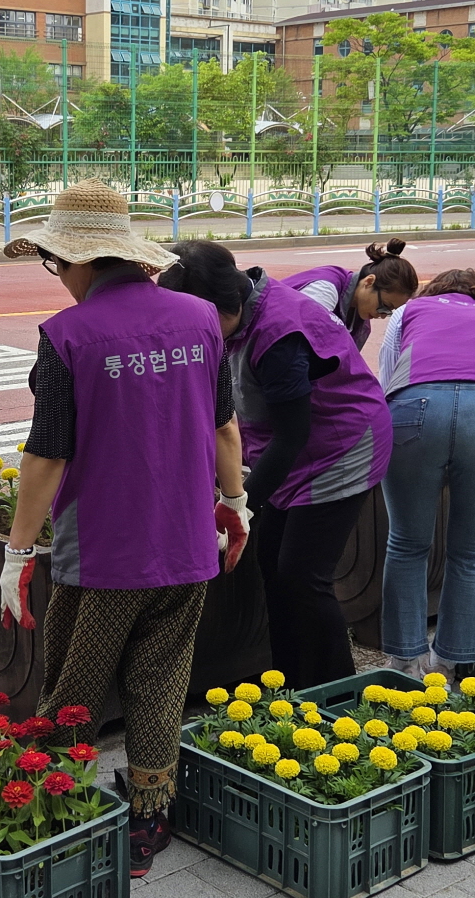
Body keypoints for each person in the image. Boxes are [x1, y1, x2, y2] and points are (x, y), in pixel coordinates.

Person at [0, 179, 248, 877]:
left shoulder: (67, 336)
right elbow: (226, 427)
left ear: (75, 261)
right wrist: (237, 506)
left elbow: (48, 453)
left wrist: (16, 552)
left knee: (74, 689)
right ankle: (147, 824)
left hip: (103, 557)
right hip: (188, 545)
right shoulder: (200, 319)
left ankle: (49, 812)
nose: (59, 279)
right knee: (161, 681)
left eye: (54, 263)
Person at [159, 240, 391, 691]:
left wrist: (240, 506)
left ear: (219, 306)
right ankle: (290, 688)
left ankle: (342, 695)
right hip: (292, 450)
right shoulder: (239, 315)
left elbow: (293, 435)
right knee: (273, 566)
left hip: (342, 448)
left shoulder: (278, 333)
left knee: (304, 578)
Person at [377, 268, 475, 679]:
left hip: (414, 408)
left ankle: (406, 661)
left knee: (407, 543)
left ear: (434, 291)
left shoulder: (409, 310)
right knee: (473, 551)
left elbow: (388, 374)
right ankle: (450, 662)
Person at [278, 238, 419, 349]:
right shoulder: (325, 290)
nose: (382, 316)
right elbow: (299, 349)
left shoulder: (361, 323)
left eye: (389, 312)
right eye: (384, 306)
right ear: (369, 282)